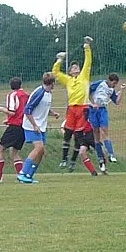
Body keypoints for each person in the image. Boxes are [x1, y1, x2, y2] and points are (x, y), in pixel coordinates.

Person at [52, 36, 93, 170]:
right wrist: (59, 60)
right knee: (68, 133)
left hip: (83, 108)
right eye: (73, 67)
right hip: (71, 109)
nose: (75, 68)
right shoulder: (68, 80)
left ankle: (73, 162)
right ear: (70, 71)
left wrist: (86, 46)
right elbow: (55, 73)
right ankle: (64, 159)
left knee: (78, 136)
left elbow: (88, 62)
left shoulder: (84, 77)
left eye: (77, 67)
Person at [17, 72, 59, 184]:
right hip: (31, 126)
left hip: (41, 126)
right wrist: (34, 125)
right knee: (38, 147)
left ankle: (29, 175)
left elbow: (42, 108)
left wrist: (53, 113)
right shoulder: (39, 93)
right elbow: (28, 110)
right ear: (52, 83)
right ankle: (22, 173)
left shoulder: (48, 93)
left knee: (41, 151)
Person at [0, 77, 29, 184]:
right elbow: (23, 112)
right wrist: (9, 120)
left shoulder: (13, 95)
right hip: (23, 127)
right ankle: (21, 176)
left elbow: (12, 112)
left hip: (15, 127)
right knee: (14, 152)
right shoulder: (26, 95)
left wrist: (0, 109)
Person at [89, 73, 126, 172]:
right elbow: (87, 91)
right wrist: (92, 103)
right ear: (110, 81)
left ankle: (111, 154)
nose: (114, 85)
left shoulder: (111, 90)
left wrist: (122, 90)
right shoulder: (100, 83)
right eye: (114, 83)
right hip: (93, 110)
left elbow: (117, 102)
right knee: (96, 135)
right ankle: (100, 159)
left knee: (105, 131)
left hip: (102, 111)